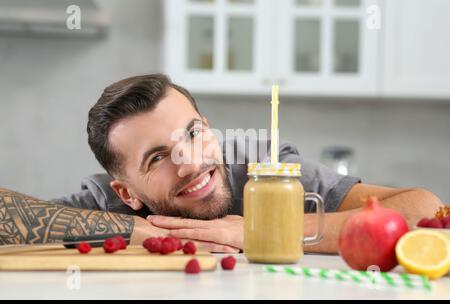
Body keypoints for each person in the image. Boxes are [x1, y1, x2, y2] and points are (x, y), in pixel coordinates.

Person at [0, 74, 443, 253]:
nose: (191, 162)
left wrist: (258, 231)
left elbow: (423, 208)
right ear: (126, 193)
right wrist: (139, 230)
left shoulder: (262, 169)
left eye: (193, 133)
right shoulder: (107, 205)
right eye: (158, 158)